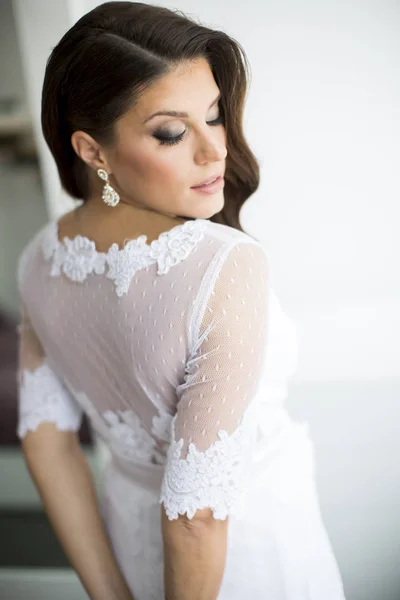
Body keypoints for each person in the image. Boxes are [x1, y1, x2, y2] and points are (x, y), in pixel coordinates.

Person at [16, 2, 347, 599]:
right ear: (92, 150)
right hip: (243, 556)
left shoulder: (38, 258)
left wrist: (110, 592)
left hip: (125, 538)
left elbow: (47, 441)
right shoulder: (225, 264)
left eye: (215, 117)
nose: (215, 150)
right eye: (171, 132)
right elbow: (195, 518)